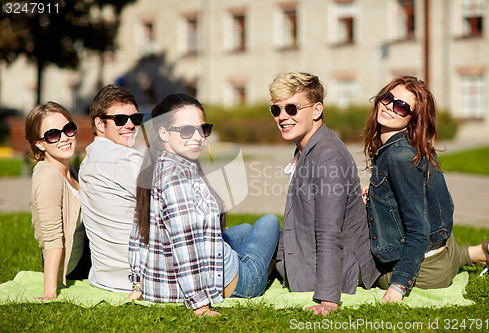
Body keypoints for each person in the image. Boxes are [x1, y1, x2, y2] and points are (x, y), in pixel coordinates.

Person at [127, 93, 281, 317]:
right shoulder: (178, 179)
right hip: (236, 283)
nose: (198, 138)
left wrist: (138, 284)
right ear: (163, 133)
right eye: (188, 131)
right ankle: (270, 267)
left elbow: (140, 234)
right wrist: (200, 305)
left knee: (246, 229)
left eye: (203, 129)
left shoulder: (155, 166)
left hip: (168, 284)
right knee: (269, 222)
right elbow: (184, 244)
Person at [362, 75, 489, 303]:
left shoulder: (399, 156)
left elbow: (419, 228)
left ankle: (463, 258)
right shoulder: (413, 145)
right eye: (388, 98)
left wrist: (398, 286)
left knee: (365, 272)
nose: (389, 107)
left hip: (426, 272)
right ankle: (478, 252)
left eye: (401, 106)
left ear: (413, 118)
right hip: (444, 247)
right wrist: (377, 193)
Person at [268, 72, 380, 316]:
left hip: (339, 271)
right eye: (276, 110)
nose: (283, 117)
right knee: (250, 232)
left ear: (316, 110)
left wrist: (328, 299)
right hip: (305, 256)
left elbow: (330, 230)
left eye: (291, 108)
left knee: (261, 229)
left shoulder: (328, 156)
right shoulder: (307, 147)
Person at [79, 84, 144, 292]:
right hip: (143, 278)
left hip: (105, 277)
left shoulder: (87, 162)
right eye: (120, 119)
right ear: (100, 123)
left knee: (240, 232)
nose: (131, 125)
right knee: (246, 231)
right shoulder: (126, 159)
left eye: (135, 119)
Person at [25, 102, 91, 299]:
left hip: (84, 255)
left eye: (68, 129)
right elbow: (52, 237)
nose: (64, 138)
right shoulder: (48, 174)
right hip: (72, 267)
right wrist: (50, 292)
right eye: (53, 134)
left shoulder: (68, 169)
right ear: (39, 143)